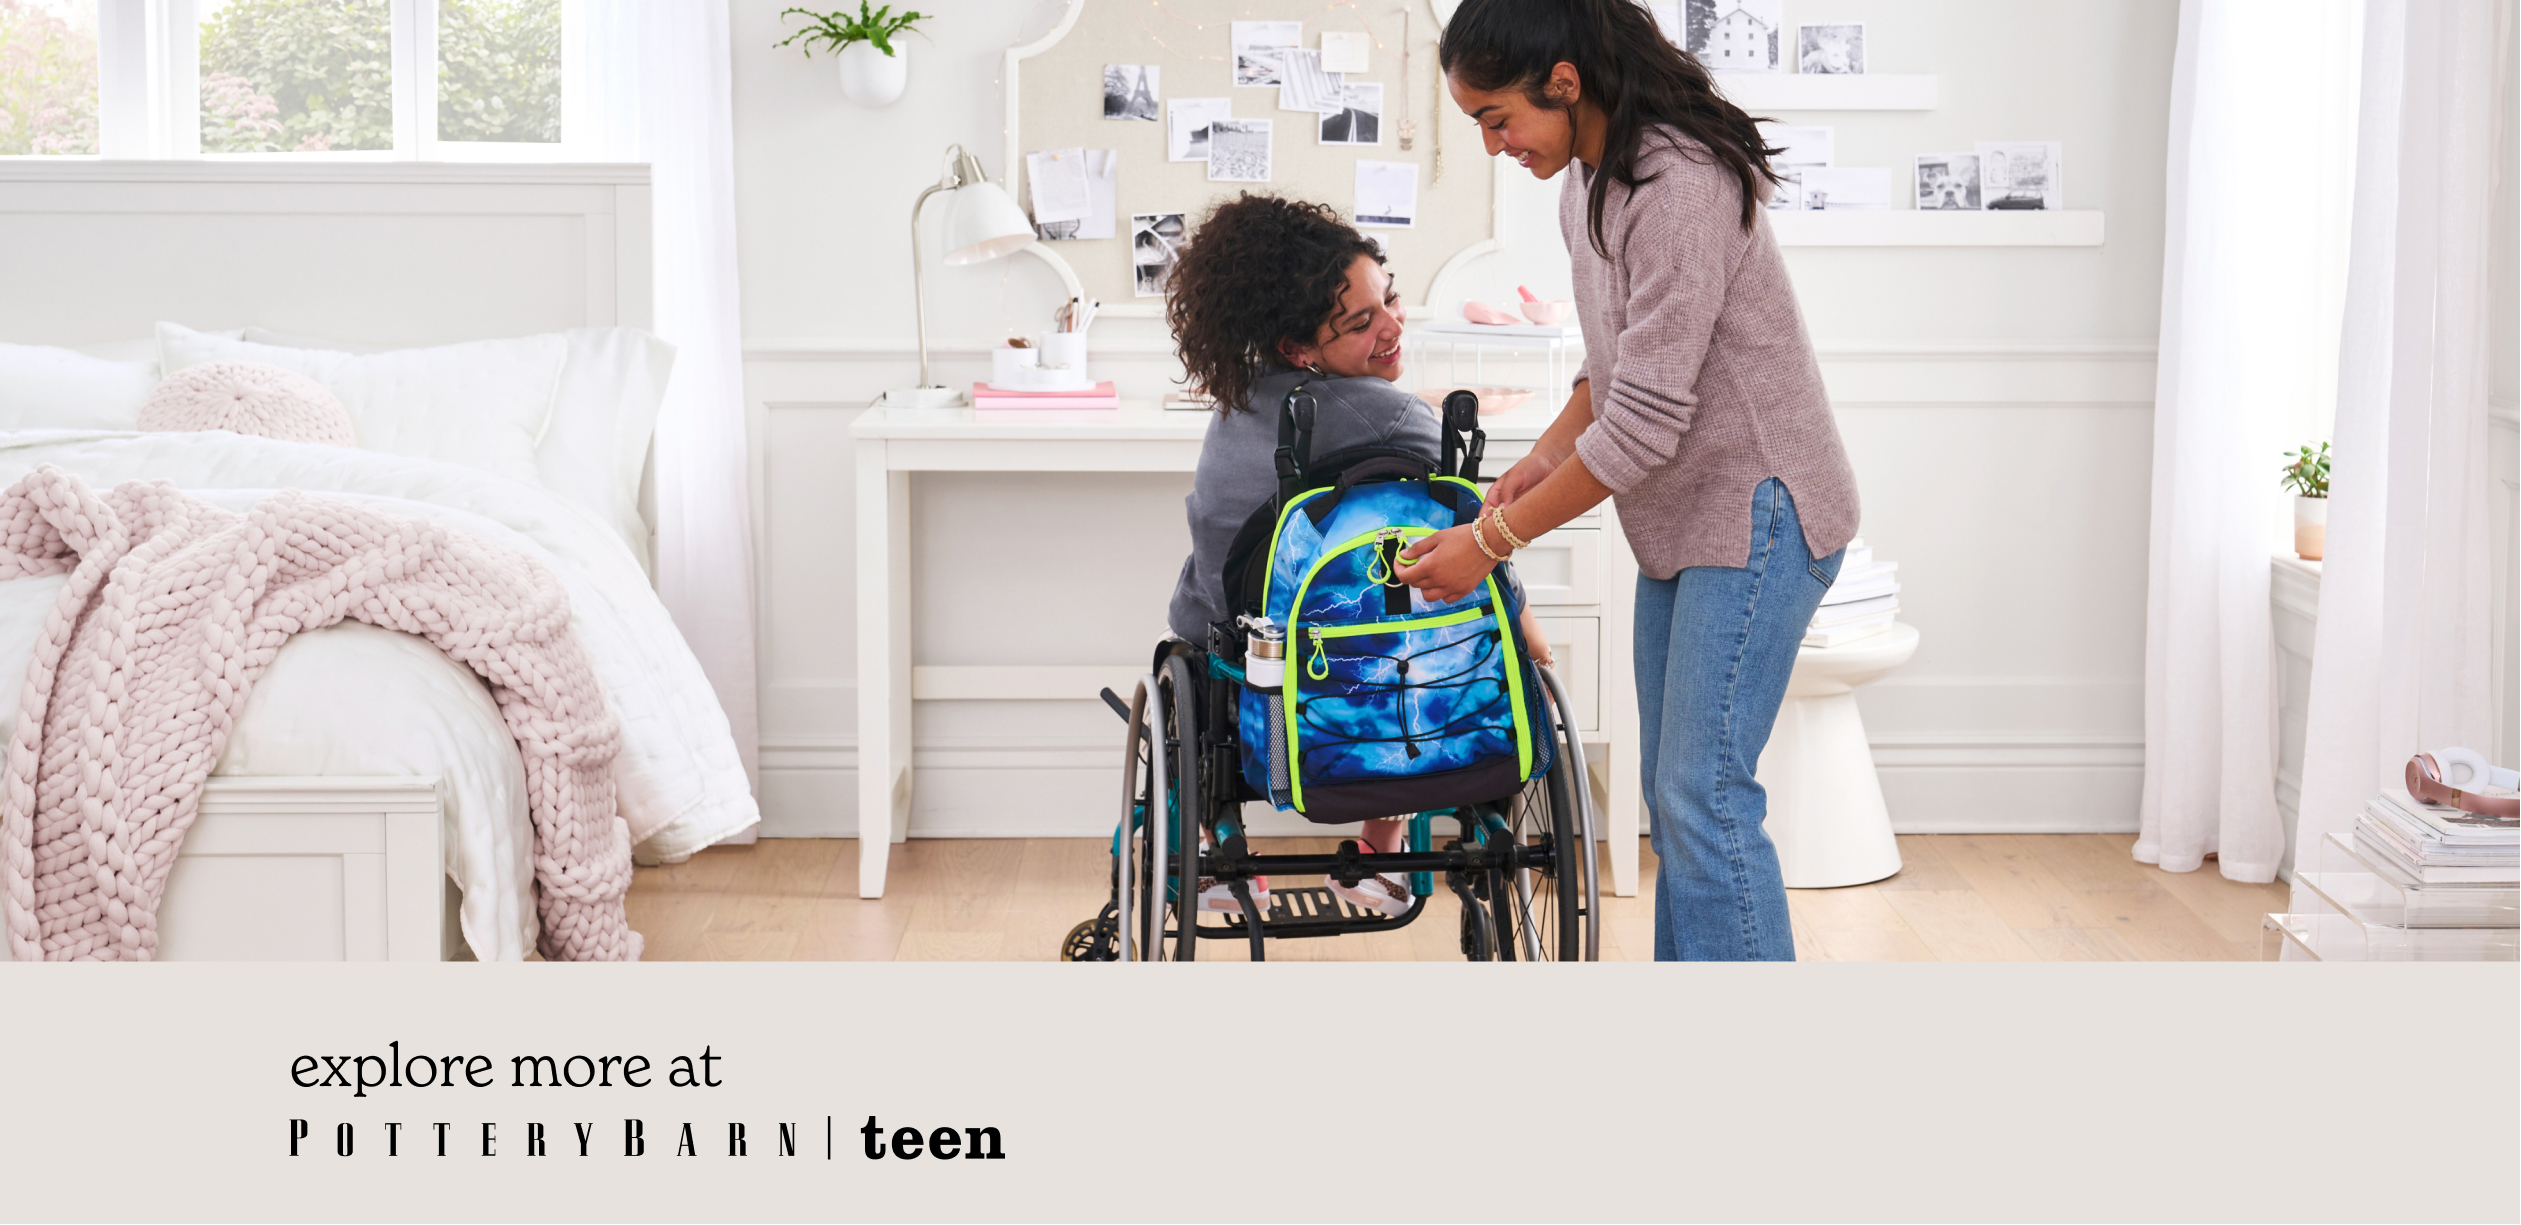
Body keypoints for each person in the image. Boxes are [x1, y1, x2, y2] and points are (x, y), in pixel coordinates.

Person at [1413, 0, 1862, 960]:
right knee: (1678, 792)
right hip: (1684, 519)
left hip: (1759, 511)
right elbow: (1616, 363)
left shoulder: (1682, 182)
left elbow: (1648, 421)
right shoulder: (1587, 184)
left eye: (1498, 119)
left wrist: (1488, 545)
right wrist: (1542, 452)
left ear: (1564, 82)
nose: (1494, 145)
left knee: (1703, 794)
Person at [1164, 193, 1553, 918]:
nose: (1392, 326)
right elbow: (1461, 527)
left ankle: (1211, 839)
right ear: (1299, 348)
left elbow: (1215, 535)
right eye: (1360, 321)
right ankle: (1383, 846)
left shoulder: (1235, 406)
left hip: (1243, 656)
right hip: (1380, 672)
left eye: (1390, 301)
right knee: (1427, 613)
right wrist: (1524, 618)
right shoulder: (1396, 415)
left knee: (1201, 636)